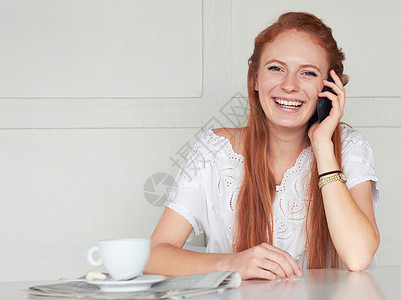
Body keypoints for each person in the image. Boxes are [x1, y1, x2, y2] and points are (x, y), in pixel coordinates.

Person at [144, 12, 380, 280]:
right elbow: (154, 255)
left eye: (308, 73)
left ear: (329, 88)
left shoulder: (349, 148)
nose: (289, 85)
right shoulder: (215, 150)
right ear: (256, 79)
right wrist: (234, 264)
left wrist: (322, 145)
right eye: (276, 68)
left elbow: (359, 256)